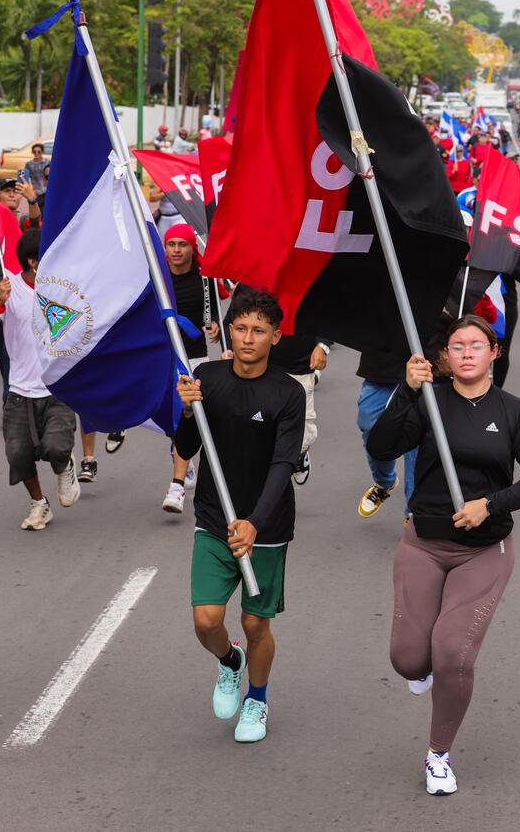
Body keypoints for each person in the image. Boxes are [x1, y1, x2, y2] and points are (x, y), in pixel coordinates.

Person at [367, 315, 520, 795]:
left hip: (483, 550)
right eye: (457, 346)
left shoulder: (514, 411)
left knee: (452, 653)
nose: (467, 352)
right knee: (409, 660)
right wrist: (406, 392)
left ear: (495, 352)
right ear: (444, 358)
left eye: (477, 344)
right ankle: (425, 666)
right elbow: (382, 444)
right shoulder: (430, 401)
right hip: (423, 542)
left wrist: (488, 505)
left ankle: (438, 755)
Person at [175, 285, 305, 744]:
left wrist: (254, 522)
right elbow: (186, 449)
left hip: (265, 526)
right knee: (206, 621)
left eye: (259, 330)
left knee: (255, 623)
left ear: (276, 336)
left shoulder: (288, 392)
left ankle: (257, 698)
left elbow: (283, 464)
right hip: (213, 517)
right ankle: (230, 663)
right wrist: (188, 413)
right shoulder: (206, 378)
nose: (249, 338)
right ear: (230, 330)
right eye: (242, 328)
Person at [0, 229, 79, 529]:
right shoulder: (8, 290)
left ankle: (64, 464)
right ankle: (39, 504)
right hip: (20, 390)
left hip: (57, 387)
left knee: (55, 447)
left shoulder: (63, 287)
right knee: (17, 454)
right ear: (33, 262)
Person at [161, 223, 222, 514]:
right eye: (171, 244)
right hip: (165, 359)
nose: (176, 250)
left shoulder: (205, 278)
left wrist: (217, 329)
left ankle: (176, 487)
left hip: (195, 360)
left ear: (191, 248)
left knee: (189, 414)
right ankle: (183, 456)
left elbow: (222, 313)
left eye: (181, 245)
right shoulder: (158, 278)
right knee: (175, 418)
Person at [356, 350, 418, 519]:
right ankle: (385, 483)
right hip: (382, 366)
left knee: (417, 442)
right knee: (368, 424)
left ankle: (414, 512)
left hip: (427, 363)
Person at [270, 333, 331, 486]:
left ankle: (300, 455)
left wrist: (322, 346)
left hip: (301, 367)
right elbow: (233, 318)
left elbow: (330, 315)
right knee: (268, 425)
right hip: (265, 365)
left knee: (303, 433)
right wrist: (229, 347)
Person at [492, 253, 520, 389]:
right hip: (478, 302)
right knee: (478, 349)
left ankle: (496, 391)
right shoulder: (477, 242)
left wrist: (503, 262)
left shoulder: (512, 246)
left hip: (506, 306)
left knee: (501, 351)